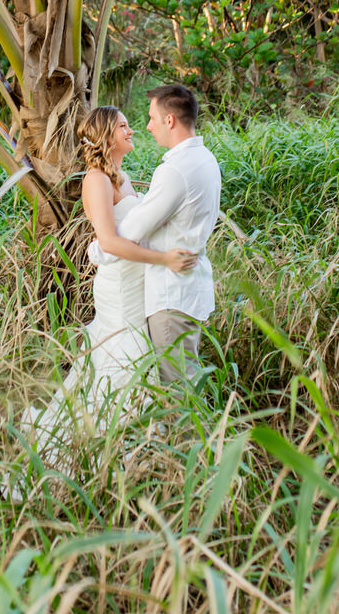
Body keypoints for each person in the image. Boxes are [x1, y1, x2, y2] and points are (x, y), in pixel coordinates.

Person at [19, 105, 197, 465]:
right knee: (124, 354)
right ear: (105, 135)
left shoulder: (122, 176)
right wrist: (165, 260)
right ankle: (104, 443)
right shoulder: (96, 180)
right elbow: (110, 241)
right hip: (118, 285)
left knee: (136, 354)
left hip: (137, 282)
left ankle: (131, 439)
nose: (131, 131)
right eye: (123, 126)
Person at [88, 84, 221, 383]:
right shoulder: (205, 159)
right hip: (160, 289)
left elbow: (132, 229)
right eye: (124, 125)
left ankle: (187, 432)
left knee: (176, 387)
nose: (144, 127)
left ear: (170, 120)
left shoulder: (174, 170)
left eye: (151, 118)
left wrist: (99, 249)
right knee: (171, 378)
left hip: (170, 294)